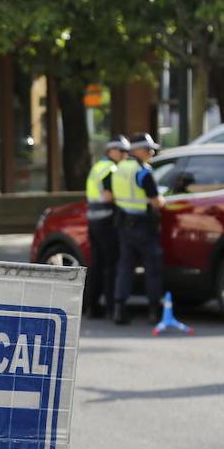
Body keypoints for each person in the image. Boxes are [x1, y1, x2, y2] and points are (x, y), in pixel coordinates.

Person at [110, 133, 165, 325]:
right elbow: (156, 201)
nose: (151, 153)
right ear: (138, 151)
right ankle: (153, 312)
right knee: (152, 267)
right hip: (142, 225)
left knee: (125, 267)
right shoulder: (143, 172)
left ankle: (119, 310)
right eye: (149, 149)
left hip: (124, 224)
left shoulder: (118, 169)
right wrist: (163, 200)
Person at [82, 135, 128, 319]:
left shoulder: (98, 166)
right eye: (122, 151)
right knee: (111, 265)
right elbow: (109, 196)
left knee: (97, 264)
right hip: (107, 221)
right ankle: (110, 306)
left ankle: (91, 306)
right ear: (111, 151)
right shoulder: (110, 168)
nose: (125, 154)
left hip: (94, 221)